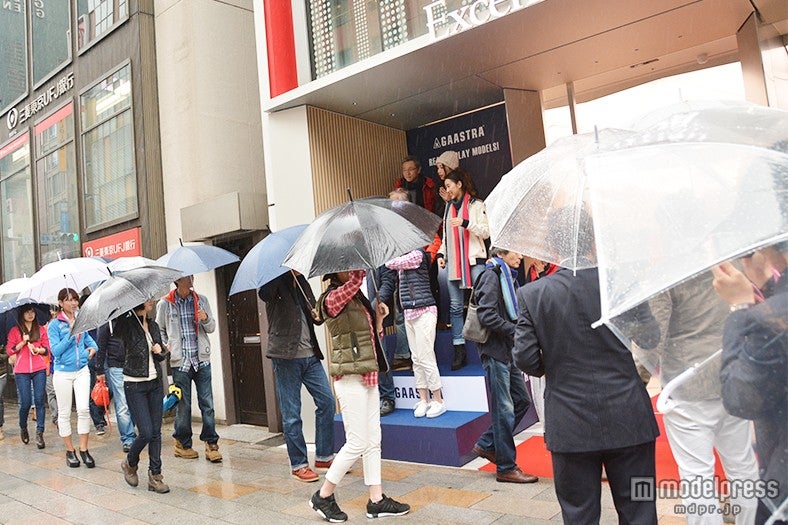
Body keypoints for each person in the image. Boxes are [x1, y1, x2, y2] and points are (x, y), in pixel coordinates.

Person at [512, 213, 660, 524]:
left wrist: (555, 366)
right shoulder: (621, 283)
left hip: (569, 420)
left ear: (554, 246)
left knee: (579, 516)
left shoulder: (533, 295)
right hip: (629, 414)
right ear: (594, 241)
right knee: (641, 512)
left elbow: (525, 359)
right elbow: (650, 336)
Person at [648, 273, 759, 524]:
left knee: (697, 475)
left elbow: (653, 338)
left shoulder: (669, 276)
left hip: (688, 382)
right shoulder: (731, 265)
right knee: (742, 465)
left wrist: (638, 377)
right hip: (731, 374)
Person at [310, 270, 410, 523]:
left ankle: (376, 500)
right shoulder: (330, 298)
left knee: (374, 439)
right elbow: (346, 292)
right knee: (357, 442)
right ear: (335, 271)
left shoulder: (358, 298)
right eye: (347, 266)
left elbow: (369, 338)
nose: (353, 270)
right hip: (350, 377)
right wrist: (359, 276)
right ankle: (323, 495)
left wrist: (378, 319)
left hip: (368, 374)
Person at [713, 244, 787, 524]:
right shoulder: (776, 307)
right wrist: (767, 286)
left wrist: (740, 308)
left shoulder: (766, 316)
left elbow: (739, 397)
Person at [258, 270, 335, 483]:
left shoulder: (301, 281)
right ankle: (298, 464)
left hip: (310, 354)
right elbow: (264, 294)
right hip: (285, 356)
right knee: (292, 413)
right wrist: (281, 273)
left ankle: (324, 456)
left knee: (327, 401)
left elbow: (315, 316)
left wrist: (317, 315)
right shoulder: (273, 282)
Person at [471, 248, 538, 483]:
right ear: (502, 252)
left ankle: (487, 443)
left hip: (506, 350)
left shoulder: (506, 275)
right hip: (495, 350)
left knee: (521, 401)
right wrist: (516, 330)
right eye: (516, 253)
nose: (520, 257)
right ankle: (506, 467)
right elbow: (486, 315)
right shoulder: (491, 275)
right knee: (505, 408)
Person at [156, 275, 222, 462]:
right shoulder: (165, 304)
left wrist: (206, 318)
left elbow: (211, 328)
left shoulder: (201, 300)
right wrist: (165, 344)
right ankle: (182, 444)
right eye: (187, 276)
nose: (191, 278)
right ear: (177, 281)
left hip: (201, 360)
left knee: (207, 404)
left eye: (192, 275)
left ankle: (211, 444)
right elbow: (159, 328)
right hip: (180, 362)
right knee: (183, 406)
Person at [114, 300, 171, 493]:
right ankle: (130, 462)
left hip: (154, 383)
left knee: (156, 432)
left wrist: (161, 350)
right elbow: (117, 332)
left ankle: (155, 476)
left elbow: (160, 356)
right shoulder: (127, 323)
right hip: (134, 384)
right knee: (146, 431)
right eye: (148, 299)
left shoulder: (153, 324)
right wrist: (129, 311)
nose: (152, 301)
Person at [437, 168, 490, 370]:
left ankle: (487, 341)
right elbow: (445, 236)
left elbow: (485, 232)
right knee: (455, 308)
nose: (447, 190)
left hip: (474, 260)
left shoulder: (477, 204)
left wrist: (466, 223)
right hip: (453, 263)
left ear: (459, 185)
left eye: (449, 186)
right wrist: (442, 254)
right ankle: (459, 349)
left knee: (483, 301)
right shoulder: (448, 207)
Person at [386, 247, 445, 418]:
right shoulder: (405, 256)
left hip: (425, 310)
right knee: (416, 359)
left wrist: (387, 256)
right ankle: (423, 400)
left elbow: (392, 263)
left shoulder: (417, 254)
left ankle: (438, 400)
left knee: (426, 357)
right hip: (409, 312)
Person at [48, 288, 99, 468]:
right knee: (64, 412)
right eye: (68, 300)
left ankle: (84, 449)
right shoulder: (54, 325)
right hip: (62, 373)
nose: (73, 303)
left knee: (84, 409)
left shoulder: (81, 319)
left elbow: (91, 342)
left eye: (75, 299)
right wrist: (70, 333)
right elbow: (56, 351)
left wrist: (92, 350)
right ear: (61, 303)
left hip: (82, 371)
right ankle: (70, 451)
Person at [6, 305, 50, 448]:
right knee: (25, 403)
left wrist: (38, 349)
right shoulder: (14, 331)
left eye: (32, 312)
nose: (31, 314)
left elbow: (47, 350)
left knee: (39, 401)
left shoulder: (41, 329)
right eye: (27, 312)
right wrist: (23, 342)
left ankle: (39, 433)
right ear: (22, 314)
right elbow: (10, 350)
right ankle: (23, 427)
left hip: (39, 369)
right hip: (22, 370)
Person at [96, 322, 137, 453]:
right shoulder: (107, 323)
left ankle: (131, 431)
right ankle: (128, 438)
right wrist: (99, 370)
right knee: (123, 403)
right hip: (116, 367)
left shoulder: (133, 318)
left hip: (135, 365)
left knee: (135, 402)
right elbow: (101, 347)